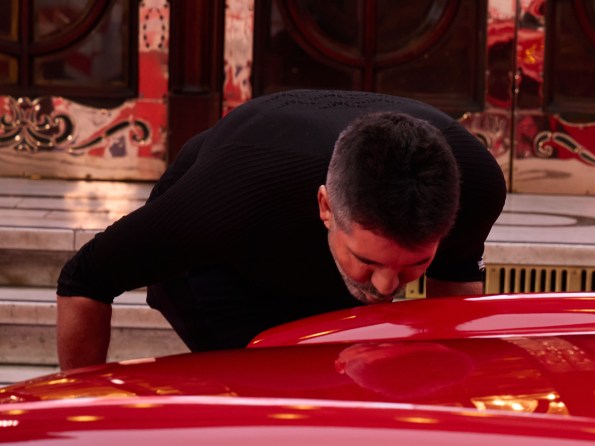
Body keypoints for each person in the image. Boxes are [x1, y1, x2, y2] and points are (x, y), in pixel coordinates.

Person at [56, 90, 506, 370]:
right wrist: (74, 410)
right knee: (275, 385)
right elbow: (85, 279)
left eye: (416, 265)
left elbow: (453, 315)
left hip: (307, 239)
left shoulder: (477, 185)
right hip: (225, 269)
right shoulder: (230, 194)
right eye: (369, 261)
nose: (389, 287)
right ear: (326, 207)